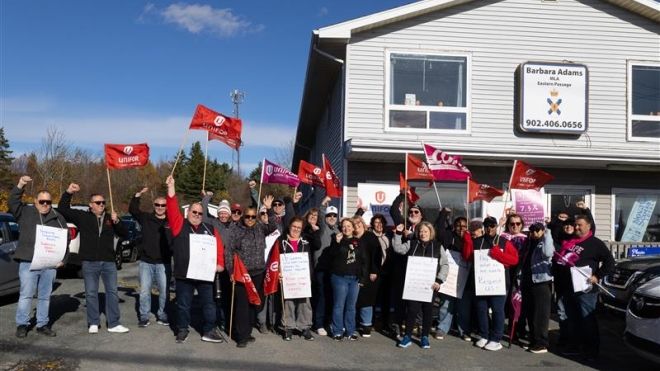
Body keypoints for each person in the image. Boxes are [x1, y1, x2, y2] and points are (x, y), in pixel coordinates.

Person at [58, 183, 129, 334]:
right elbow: (63, 209)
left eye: (103, 202)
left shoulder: (111, 218)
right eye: (98, 203)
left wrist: (118, 222)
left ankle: (114, 323)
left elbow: (124, 234)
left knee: (112, 292)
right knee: (91, 292)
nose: (102, 205)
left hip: (109, 261)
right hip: (89, 261)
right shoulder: (82, 217)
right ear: (91, 205)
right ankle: (93, 322)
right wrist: (68, 193)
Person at [165, 176, 225, 344]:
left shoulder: (210, 228)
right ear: (188, 212)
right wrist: (171, 189)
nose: (197, 215)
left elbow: (218, 246)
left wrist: (220, 264)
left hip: (205, 274)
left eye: (200, 213)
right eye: (194, 212)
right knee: (184, 305)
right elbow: (171, 208)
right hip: (184, 274)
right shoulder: (179, 224)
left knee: (209, 304)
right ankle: (182, 329)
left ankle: (208, 330)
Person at [9, 175, 69, 338]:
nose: (45, 205)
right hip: (29, 263)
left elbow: (66, 240)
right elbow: (13, 203)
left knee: (44, 297)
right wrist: (20, 185)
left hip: (49, 265)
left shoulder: (58, 218)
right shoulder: (26, 213)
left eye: (48, 202)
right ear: (35, 201)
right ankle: (22, 324)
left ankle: (42, 324)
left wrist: (64, 259)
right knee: (26, 295)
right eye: (42, 201)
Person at [553, 215, 615, 359]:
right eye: (575, 225)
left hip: (585, 289)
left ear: (588, 226)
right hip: (568, 287)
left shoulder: (595, 243)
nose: (576, 228)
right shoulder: (571, 241)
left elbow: (609, 262)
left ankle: (591, 349)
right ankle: (575, 345)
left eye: (580, 225)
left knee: (587, 320)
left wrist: (597, 276)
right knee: (572, 319)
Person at [227, 196, 277, 348]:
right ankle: (241, 336)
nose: (250, 219)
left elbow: (274, 227)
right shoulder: (236, 230)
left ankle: (247, 332)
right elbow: (229, 251)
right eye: (247, 216)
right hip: (243, 273)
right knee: (242, 305)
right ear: (243, 216)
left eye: (253, 217)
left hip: (258, 272)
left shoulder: (260, 227)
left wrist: (267, 209)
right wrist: (230, 270)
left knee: (254, 304)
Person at [463, 216, 519, 351]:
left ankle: (496, 338)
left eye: (492, 225)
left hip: (499, 284)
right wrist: (467, 240)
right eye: (487, 226)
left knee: (497, 310)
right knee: (481, 310)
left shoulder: (504, 242)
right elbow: (467, 257)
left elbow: (514, 260)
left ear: (496, 226)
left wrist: (497, 254)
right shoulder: (477, 241)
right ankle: (484, 335)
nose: (490, 228)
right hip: (481, 283)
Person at [392, 221, 449, 349]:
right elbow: (398, 249)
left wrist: (439, 280)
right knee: (412, 311)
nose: (423, 234)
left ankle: (424, 337)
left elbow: (444, 264)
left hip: (430, 286)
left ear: (431, 233)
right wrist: (398, 234)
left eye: (426, 231)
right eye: (421, 231)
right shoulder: (412, 244)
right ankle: (407, 336)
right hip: (414, 284)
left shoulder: (438, 246)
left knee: (427, 312)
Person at [129, 187, 171, 328]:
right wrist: (137, 195)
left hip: (163, 263)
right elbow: (133, 210)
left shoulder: (171, 222)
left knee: (164, 292)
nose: (160, 207)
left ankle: (162, 314)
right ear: (154, 206)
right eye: (157, 205)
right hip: (146, 262)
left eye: (163, 205)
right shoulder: (146, 218)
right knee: (144, 291)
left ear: (166, 207)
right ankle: (144, 316)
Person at [435, 212, 474, 342]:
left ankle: (464, 330)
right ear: (454, 227)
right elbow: (439, 230)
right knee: (446, 304)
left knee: (464, 307)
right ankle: (442, 327)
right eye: (458, 225)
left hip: (466, 279)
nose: (461, 228)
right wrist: (443, 214)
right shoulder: (449, 237)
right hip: (450, 279)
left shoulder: (471, 239)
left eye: (464, 226)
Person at [328, 218, 368, 341]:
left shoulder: (359, 242)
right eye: (344, 226)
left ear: (353, 227)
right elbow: (331, 255)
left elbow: (364, 261)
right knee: (339, 305)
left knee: (351, 306)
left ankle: (350, 331)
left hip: (354, 279)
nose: (346, 228)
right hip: (340, 277)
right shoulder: (337, 240)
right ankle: (337, 331)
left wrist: (362, 279)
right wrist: (337, 242)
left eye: (349, 226)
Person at [518, 222, 554, 354]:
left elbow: (548, 253)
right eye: (532, 230)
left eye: (538, 230)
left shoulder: (545, 242)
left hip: (541, 282)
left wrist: (547, 233)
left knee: (541, 315)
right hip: (528, 281)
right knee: (530, 313)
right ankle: (534, 341)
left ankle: (542, 343)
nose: (534, 233)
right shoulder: (528, 243)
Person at [279, 217, 315, 341]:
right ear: (289, 226)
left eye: (299, 227)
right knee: (288, 303)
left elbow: (309, 260)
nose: (296, 229)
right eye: (294, 226)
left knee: (304, 303)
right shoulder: (281, 241)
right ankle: (288, 327)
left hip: (302, 277)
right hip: (288, 278)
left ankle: (305, 327)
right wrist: (279, 271)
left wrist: (309, 276)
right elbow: (277, 259)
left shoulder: (305, 242)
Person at [312, 197, 340, 336]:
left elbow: (351, 226)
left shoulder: (338, 230)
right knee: (322, 296)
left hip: (335, 269)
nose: (332, 218)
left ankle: (329, 321)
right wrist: (323, 204)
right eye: (329, 215)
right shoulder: (322, 228)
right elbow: (321, 215)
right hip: (321, 268)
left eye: (334, 215)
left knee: (332, 296)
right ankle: (318, 323)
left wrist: (360, 211)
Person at [353, 216, 381, 338]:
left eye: (359, 223)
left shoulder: (370, 237)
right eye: (354, 224)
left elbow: (377, 255)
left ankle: (366, 324)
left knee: (366, 300)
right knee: (353, 299)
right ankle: (353, 323)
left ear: (363, 224)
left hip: (369, 273)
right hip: (354, 273)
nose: (357, 225)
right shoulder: (351, 238)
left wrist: (374, 271)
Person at [370, 214, 397, 333]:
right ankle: (371, 322)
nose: (379, 225)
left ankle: (386, 323)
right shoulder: (370, 236)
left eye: (381, 222)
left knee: (387, 299)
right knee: (374, 298)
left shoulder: (389, 236)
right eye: (376, 222)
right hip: (375, 271)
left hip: (387, 271)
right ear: (372, 224)